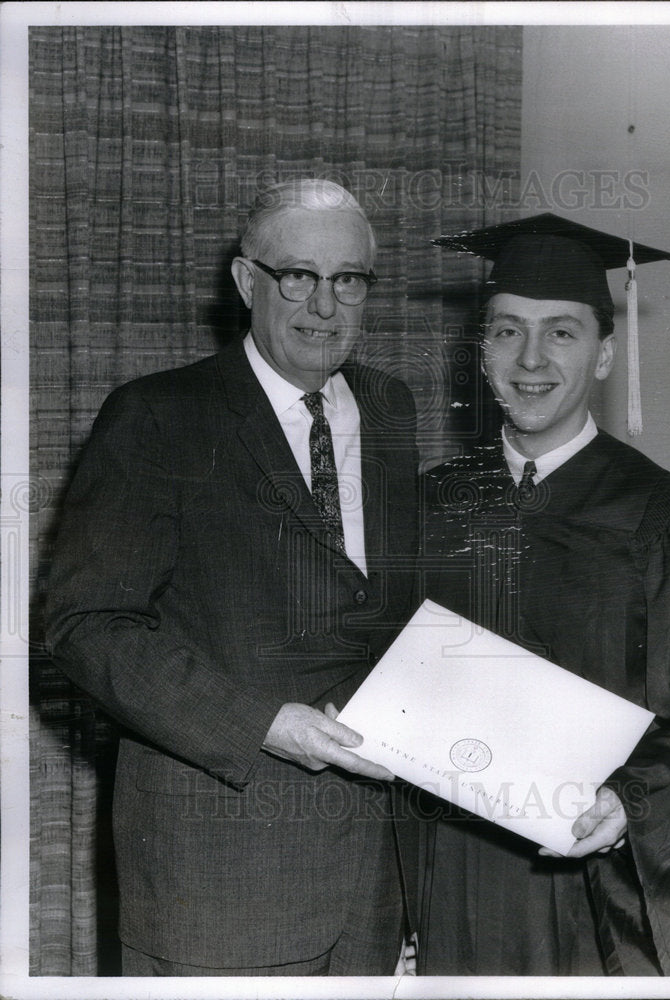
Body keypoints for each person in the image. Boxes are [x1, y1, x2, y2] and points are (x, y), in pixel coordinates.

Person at [45, 179, 421, 976]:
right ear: (247, 281)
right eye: (298, 275)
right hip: (218, 882)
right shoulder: (157, 417)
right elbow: (87, 626)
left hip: (372, 878)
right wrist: (263, 722)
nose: (323, 304)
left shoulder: (390, 409)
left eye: (348, 279)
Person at [418, 213, 670, 976]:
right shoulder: (428, 504)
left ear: (605, 354)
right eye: (506, 332)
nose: (531, 359)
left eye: (562, 334)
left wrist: (625, 806)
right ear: (480, 353)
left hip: (598, 887)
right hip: (452, 881)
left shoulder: (667, 519)